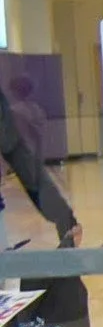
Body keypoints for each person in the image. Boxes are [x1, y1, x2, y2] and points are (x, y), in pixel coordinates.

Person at [0, 74, 78, 248]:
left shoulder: (16, 112)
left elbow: (11, 142)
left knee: (53, 205)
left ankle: (67, 241)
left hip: (29, 161)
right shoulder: (33, 110)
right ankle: (67, 236)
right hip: (35, 158)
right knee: (56, 206)